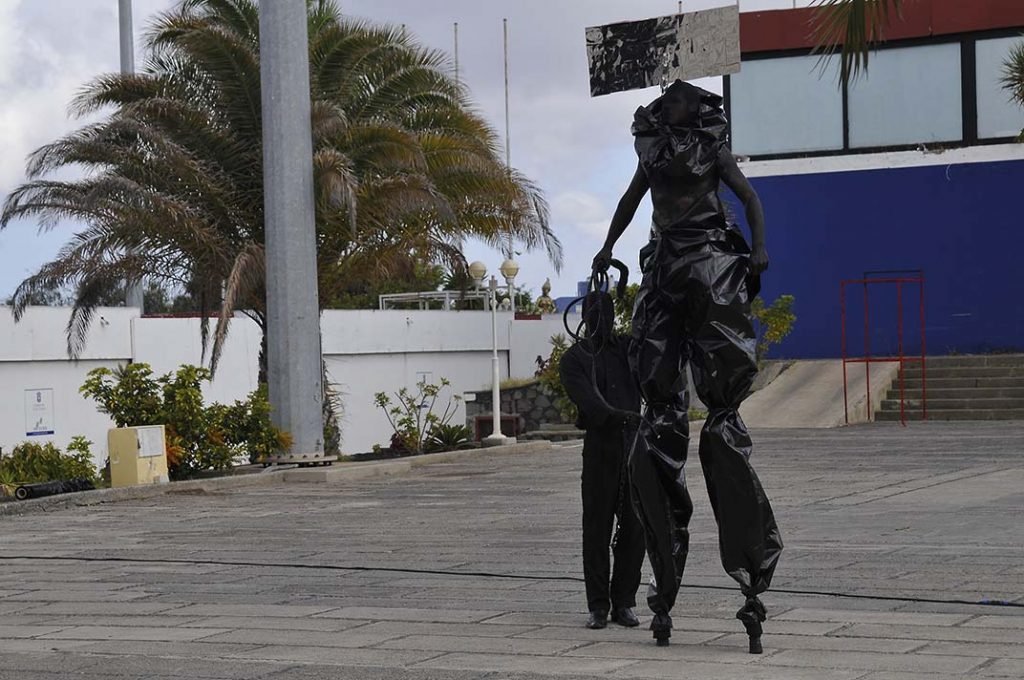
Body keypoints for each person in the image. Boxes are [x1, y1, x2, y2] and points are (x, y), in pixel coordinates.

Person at [592, 80, 783, 653]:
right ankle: (663, 583)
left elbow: (749, 197)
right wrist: (607, 246)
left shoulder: (711, 149)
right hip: (667, 269)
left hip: (708, 265)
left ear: (696, 108)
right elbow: (630, 202)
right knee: (659, 417)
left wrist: (758, 247)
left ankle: (750, 576)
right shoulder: (652, 151)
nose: (668, 107)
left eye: (677, 101)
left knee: (720, 420)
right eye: (666, 101)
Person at [559, 290, 645, 630]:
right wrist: (620, 416)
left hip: (634, 449)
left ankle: (624, 601)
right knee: (596, 530)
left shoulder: (627, 350)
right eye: (596, 314)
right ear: (584, 317)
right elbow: (589, 402)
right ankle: (598, 605)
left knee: (634, 530)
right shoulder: (575, 359)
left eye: (607, 313)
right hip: (600, 450)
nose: (602, 320)